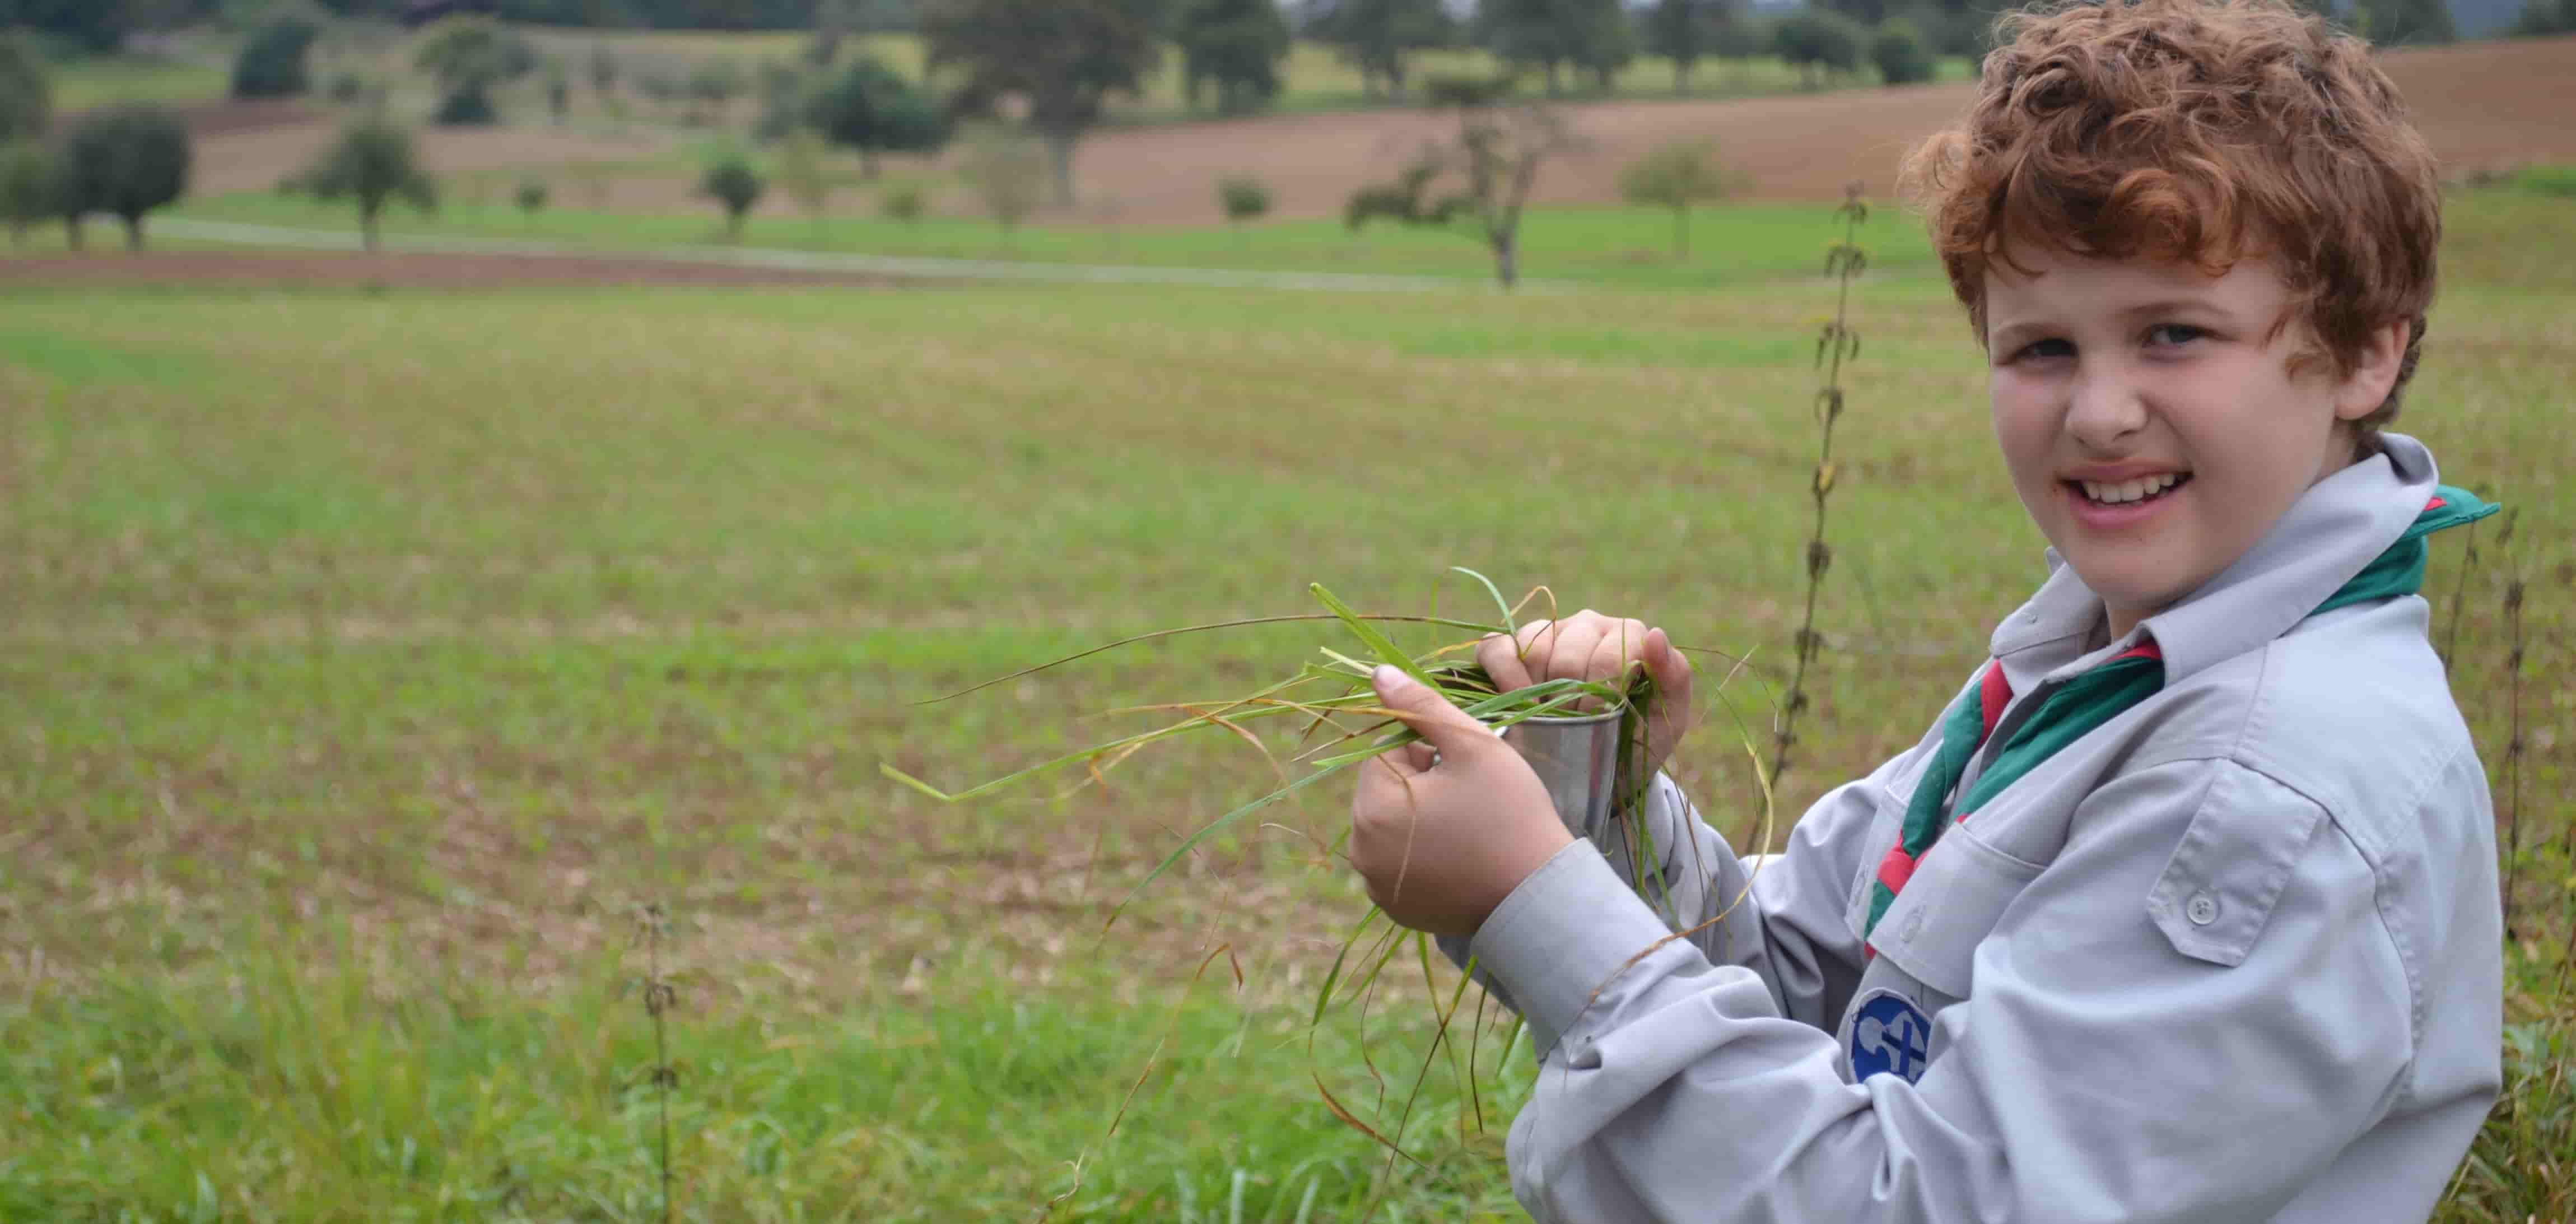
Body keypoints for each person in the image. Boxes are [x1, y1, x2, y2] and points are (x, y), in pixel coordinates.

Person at [1344, 0, 2504, 1218]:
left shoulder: (2265, 793)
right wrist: (1593, 805)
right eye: (2040, 348)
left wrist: (1532, 896)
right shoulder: (2101, 660)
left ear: (2365, 353)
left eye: (2173, 333)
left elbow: (1903, 1200)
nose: (2097, 412)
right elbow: (1820, 979)